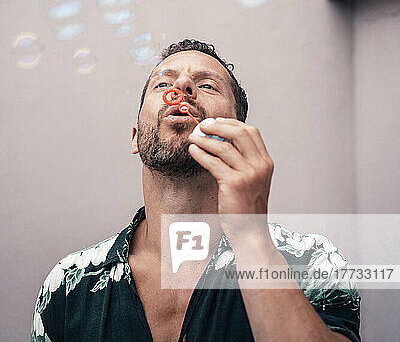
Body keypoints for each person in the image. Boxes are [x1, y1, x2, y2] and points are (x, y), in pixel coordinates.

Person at [31, 39, 361, 342]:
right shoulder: (69, 281)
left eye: (206, 85)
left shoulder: (311, 260)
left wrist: (250, 235)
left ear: (236, 134)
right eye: (163, 83)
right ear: (135, 137)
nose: (182, 86)